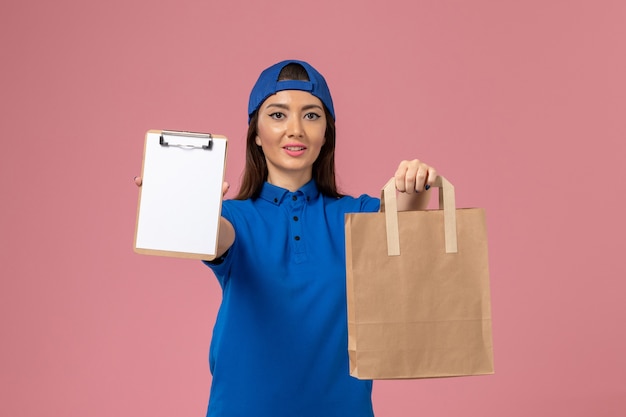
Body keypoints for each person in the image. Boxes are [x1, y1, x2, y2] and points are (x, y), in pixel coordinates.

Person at [136, 59, 438, 416]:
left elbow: (403, 225)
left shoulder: (355, 215)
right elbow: (215, 237)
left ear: (326, 134)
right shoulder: (236, 218)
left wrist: (415, 185)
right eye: (278, 115)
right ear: (256, 134)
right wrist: (189, 208)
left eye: (311, 116)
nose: (295, 129)